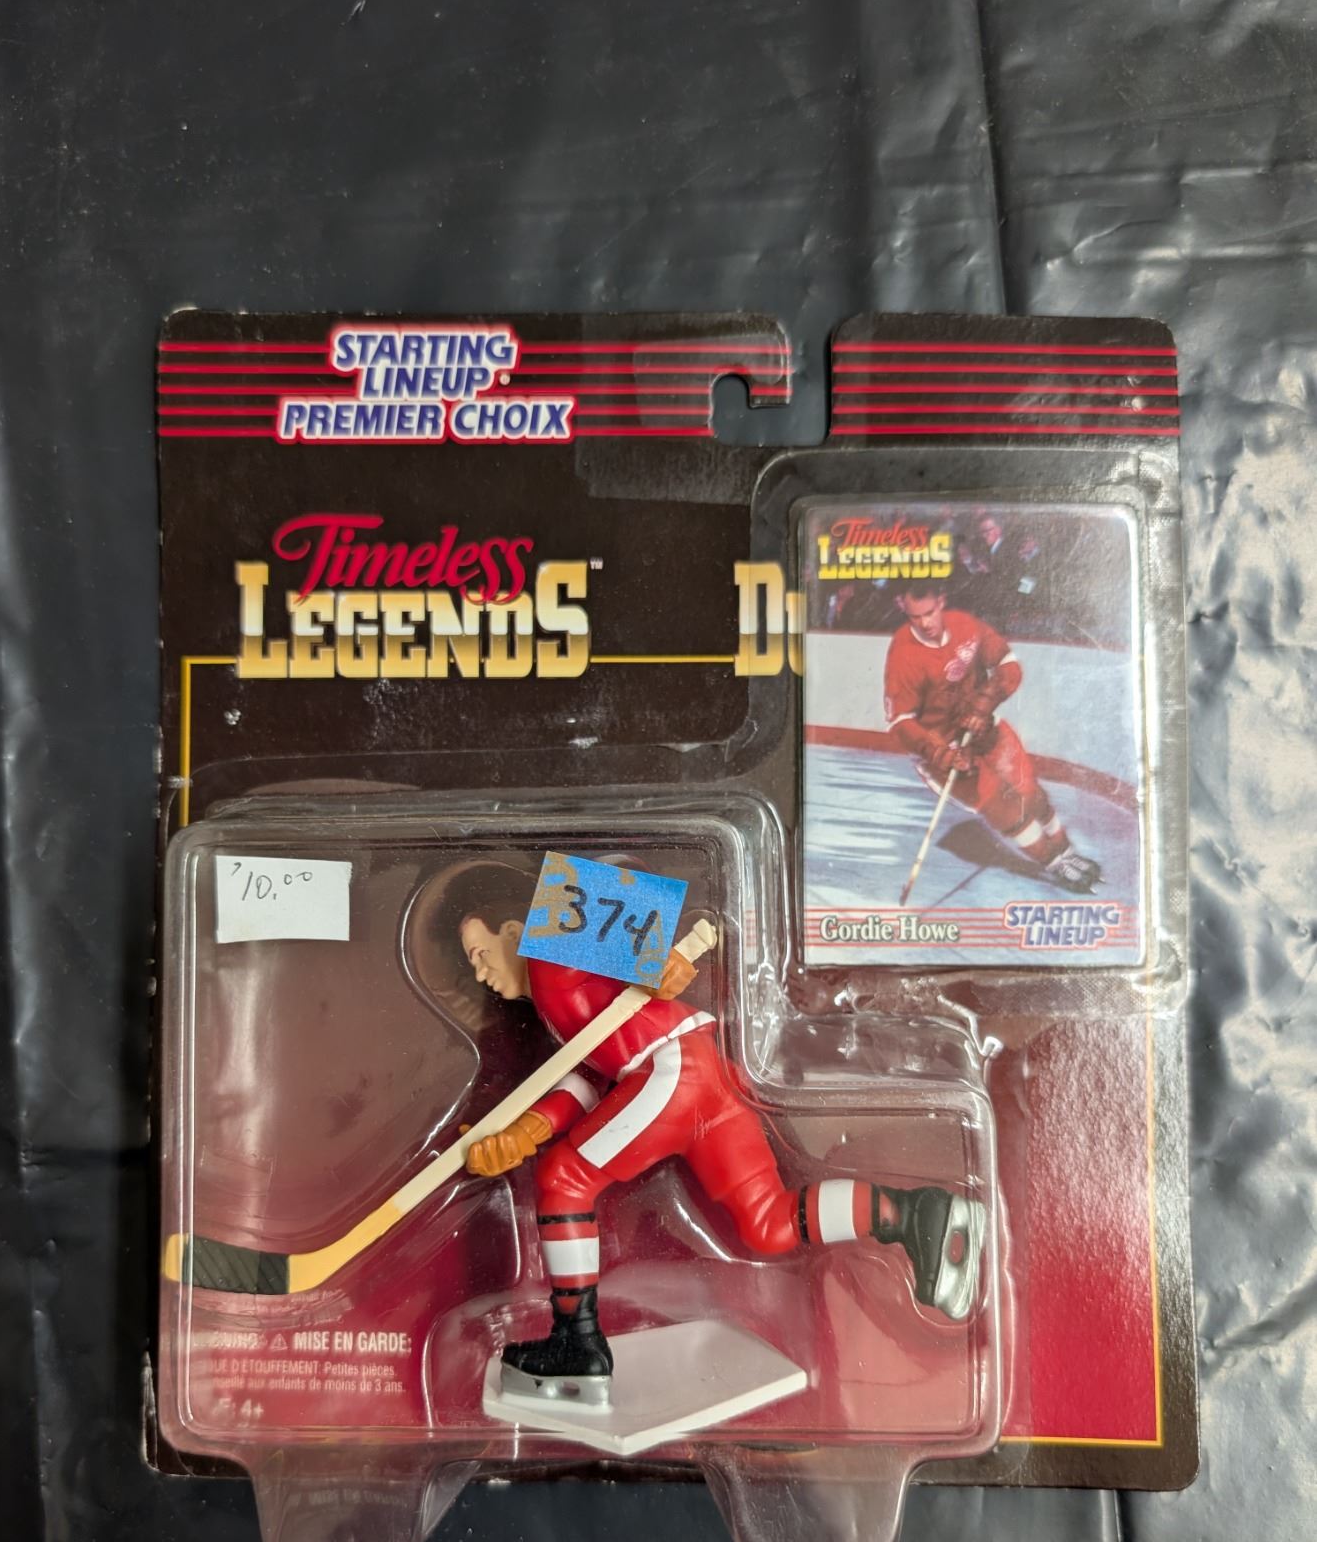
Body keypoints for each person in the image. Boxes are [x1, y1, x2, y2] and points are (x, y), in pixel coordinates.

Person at [455, 900, 985, 1405]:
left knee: (562, 1180)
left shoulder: (548, 956)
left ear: (513, 931)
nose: (480, 972)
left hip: (669, 1070)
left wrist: (652, 955)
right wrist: (523, 1133)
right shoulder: (556, 1006)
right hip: (707, 1077)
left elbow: (584, 905)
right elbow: (589, 1083)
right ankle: (916, 1215)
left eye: (479, 952)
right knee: (766, 1224)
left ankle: (577, 1342)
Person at [884, 584, 1101, 891]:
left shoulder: (965, 625)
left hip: (984, 726)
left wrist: (983, 704)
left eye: (930, 613)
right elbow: (901, 722)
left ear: (941, 601)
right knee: (1005, 807)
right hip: (944, 749)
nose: (925, 623)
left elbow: (1008, 665)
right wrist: (941, 753)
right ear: (902, 607)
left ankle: (1065, 850)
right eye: (915, 616)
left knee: (1028, 791)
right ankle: (1054, 862)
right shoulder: (902, 655)